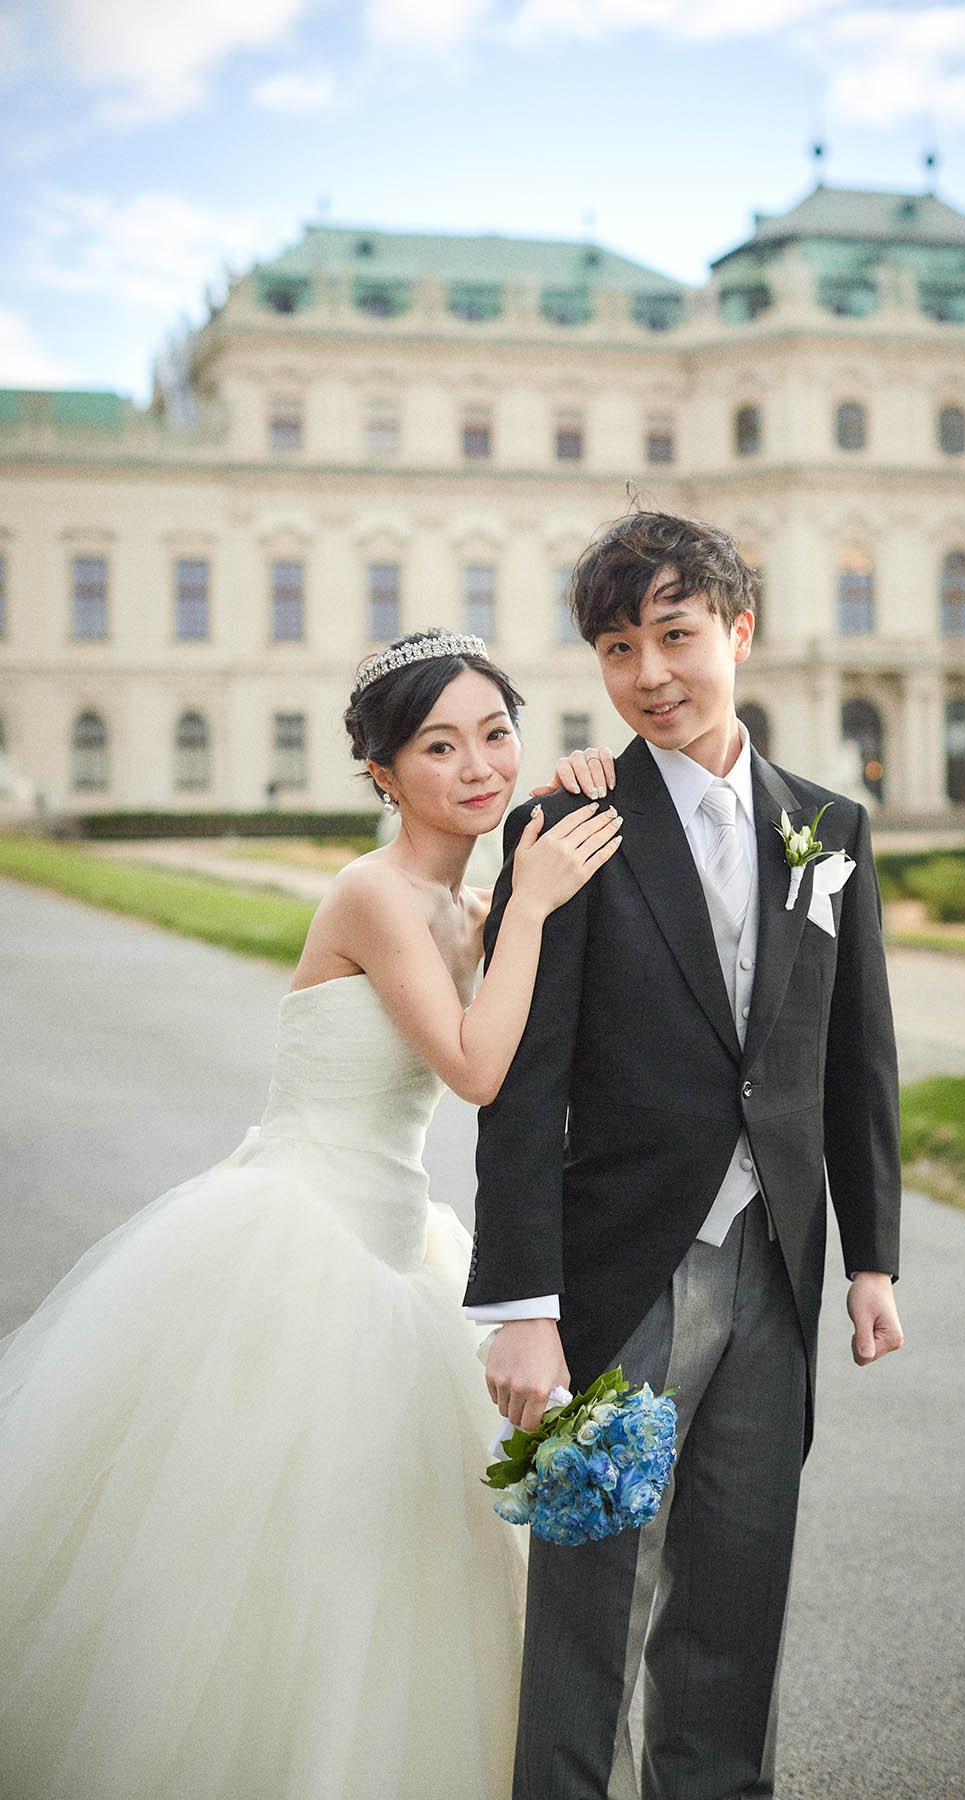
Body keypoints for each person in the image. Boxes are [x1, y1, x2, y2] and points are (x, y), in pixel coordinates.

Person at [0, 630, 621, 1800]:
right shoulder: (376, 895)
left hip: (397, 1240)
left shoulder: (456, 907)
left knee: (395, 1561)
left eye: (498, 733)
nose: (479, 765)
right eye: (440, 745)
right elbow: (479, 1070)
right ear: (383, 773)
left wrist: (582, 792)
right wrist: (530, 907)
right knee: (276, 1560)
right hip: (299, 1239)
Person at [466, 514, 905, 1800]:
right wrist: (524, 1308)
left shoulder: (830, 827)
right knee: (591, 1608)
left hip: (774, 1270)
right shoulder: (565, 823)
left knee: (734, 1597)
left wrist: (871, 1259)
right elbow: (522, 1089)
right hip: (619, 1278)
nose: (649, 672)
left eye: (674, 635)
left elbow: (855, 1061)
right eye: (616, 646)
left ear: (738, 632)